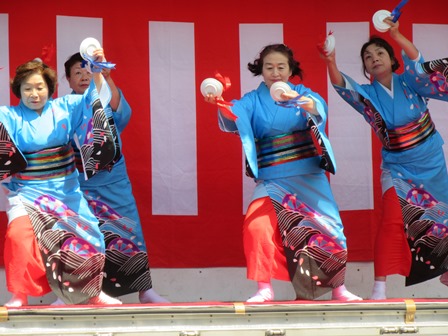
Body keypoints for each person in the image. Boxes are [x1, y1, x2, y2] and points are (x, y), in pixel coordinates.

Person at [204, 44, 362, 302]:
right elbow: (235, 113)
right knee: (256, 226)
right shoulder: (253, 100)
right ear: (261, 71)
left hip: (307, 174)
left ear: (290, 71)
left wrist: (296, 99)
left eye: (280, 67)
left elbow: (318, 108)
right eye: (269, 67)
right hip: (273, 177)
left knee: (329, 227)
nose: (275, 72)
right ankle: (264, 288)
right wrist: (219, 102)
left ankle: (338, 288)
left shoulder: (301, 93)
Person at [320, 16, 448, 299]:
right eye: (368, 57)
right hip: (397, 167)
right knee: (391, 220)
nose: (374, 58)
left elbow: (419, 63)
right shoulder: (367, 94)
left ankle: (446, 272)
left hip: (430, 161)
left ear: (392, 59)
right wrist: (331, 60)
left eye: (379, 53)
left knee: (442, 217)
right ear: (365, 68)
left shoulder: (411, 83)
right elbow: (344, 87)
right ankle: (379, 287)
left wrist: (397, 34)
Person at [1, 52, 122, 307]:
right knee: (18, 236)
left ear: (50, 88)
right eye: (27, 89)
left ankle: (91, 292)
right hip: (26, 191)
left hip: (65, 189)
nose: (34, 94)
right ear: (18, 91)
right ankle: (19, 295)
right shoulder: (9, 116)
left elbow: (95, 99)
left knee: (89, 235)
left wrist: (97, 72)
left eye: (40, 87)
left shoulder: (66, 106)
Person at [63, 52, 168, 304]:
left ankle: (145, 290)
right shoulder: (64, 106)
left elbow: (123, 114)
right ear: (68, 80)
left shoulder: (104, 98)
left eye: (88, 71)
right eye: (77, 73)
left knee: (127, 233)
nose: (83, 76)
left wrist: (107, 79)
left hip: (113, 180)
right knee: (79, 238)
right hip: (79, 184)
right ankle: (70, 294)